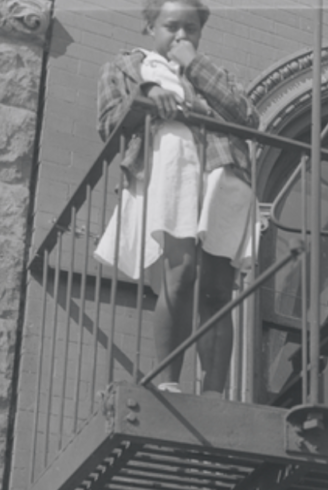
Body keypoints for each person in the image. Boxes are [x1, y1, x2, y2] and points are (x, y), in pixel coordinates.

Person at [94, 0, 260, 396]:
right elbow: (108, 123)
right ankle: (170, 384)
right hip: (172, 170)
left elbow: (247, 117)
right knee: (181, 272)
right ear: (151, 27)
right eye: (172, 26)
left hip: (223, 174)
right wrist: (148, 93)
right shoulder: (127, 64)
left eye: (192, 28)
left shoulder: (214, 74)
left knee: (218, 288)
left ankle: (215, 393)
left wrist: (195, 66)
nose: (182, 35)